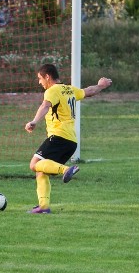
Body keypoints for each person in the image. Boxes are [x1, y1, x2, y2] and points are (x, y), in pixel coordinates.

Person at [24, 64, 112, 214]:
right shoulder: (69, 89)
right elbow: (89, 91)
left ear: (47, 77)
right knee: (41, 169)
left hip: (58, 136)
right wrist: (100, 85)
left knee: (34, 164)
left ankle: (66, 170)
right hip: (71, 141)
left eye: (40, 79)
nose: (39, 82)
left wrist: (34, 121)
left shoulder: (52, 91)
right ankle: (43, 206)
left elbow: (45, 106)